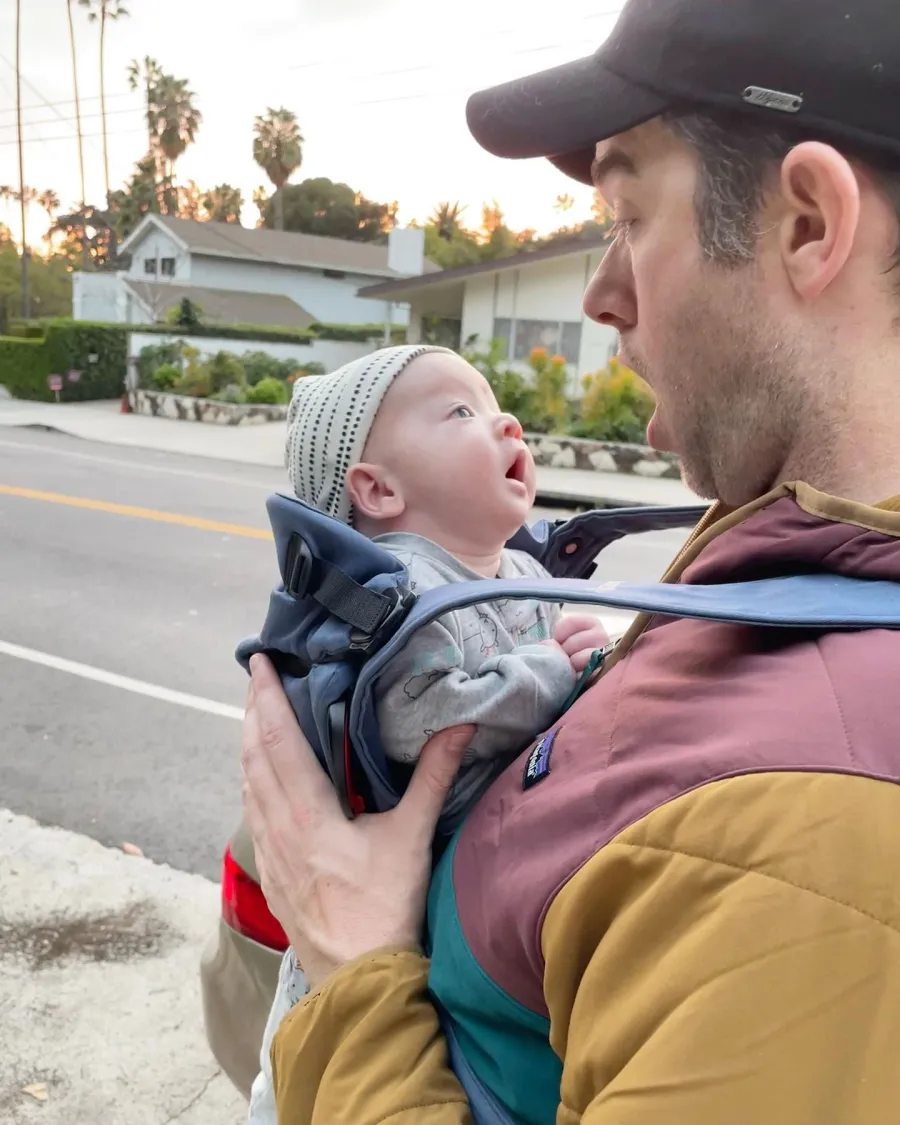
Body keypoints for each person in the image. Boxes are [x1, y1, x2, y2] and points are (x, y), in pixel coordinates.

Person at [241, 0, 900, 1120]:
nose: (599, 294)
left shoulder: (817, 837)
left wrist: (353, 971)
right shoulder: (775, 562)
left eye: (629, 212)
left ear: (806, 223)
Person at [247, 344, 608, 1124]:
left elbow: (545, 679)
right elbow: (417, 713)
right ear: (377, 489)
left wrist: (577, 649)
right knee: (313, 1078)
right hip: (386, 910)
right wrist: (553, 669)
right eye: (461, 412)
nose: (506, 421)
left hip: (464, 900)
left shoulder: (512, 569)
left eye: (496, 401)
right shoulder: (405, 589)